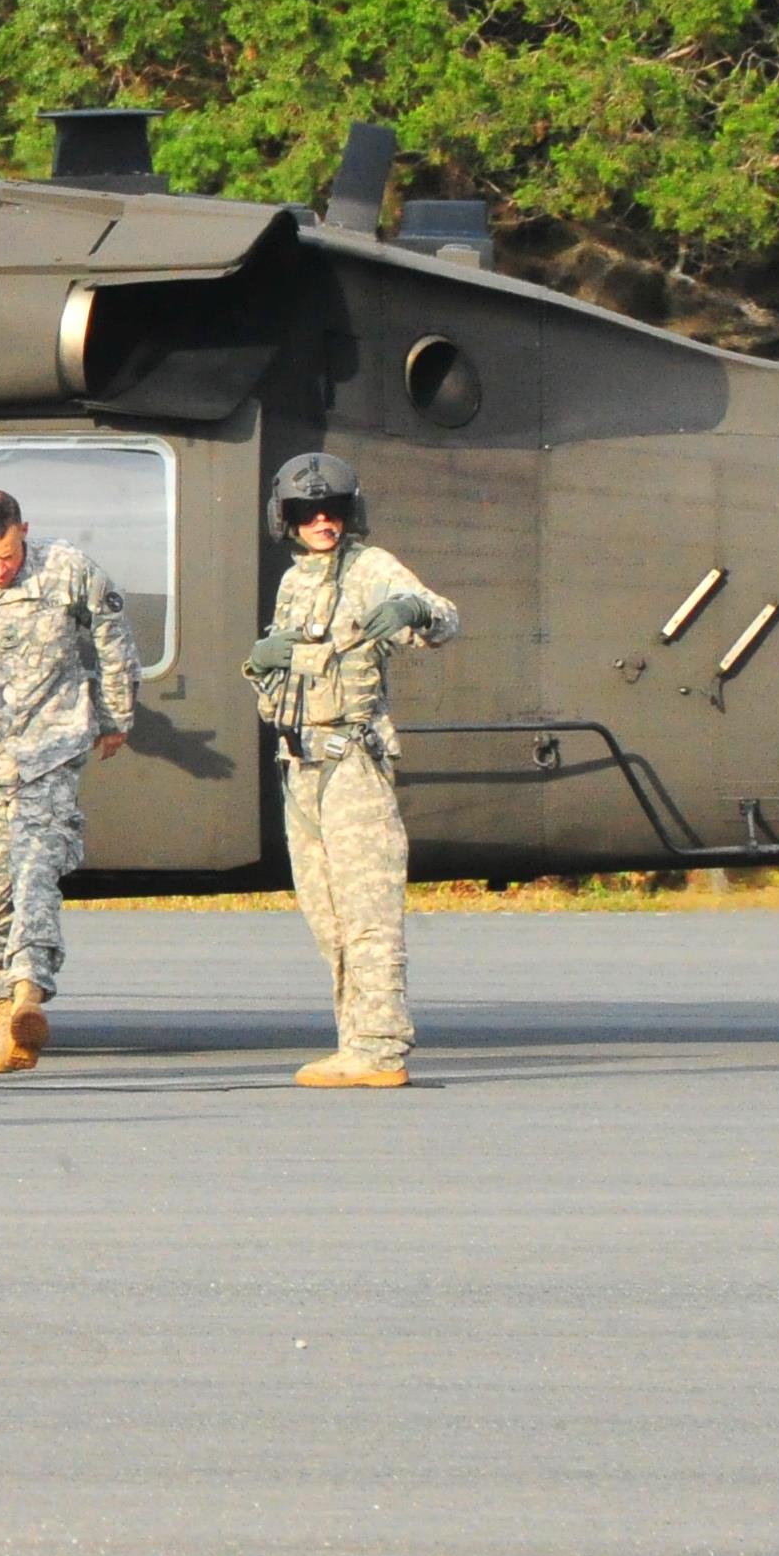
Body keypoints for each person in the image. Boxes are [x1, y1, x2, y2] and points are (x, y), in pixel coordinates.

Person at [241, 452, 459, 1087]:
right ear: (287, 518)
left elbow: (442, 615)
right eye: (307, 512)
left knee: (368, 911)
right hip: (299, 764)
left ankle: (381, 1044)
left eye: (332, 509)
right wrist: (260, 664)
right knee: (326, 916)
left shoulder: (369, 568)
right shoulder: (292, 584)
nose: (322, 521)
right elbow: (278, 683)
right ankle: (352, 1040)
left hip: (351, 762)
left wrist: (415, 613)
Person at [0, 485, 139, 1075]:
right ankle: (0, 1018)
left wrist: (116, 714)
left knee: (35, 872)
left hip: (49, 749)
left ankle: (29, 995)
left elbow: (113, 636)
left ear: (23, 531)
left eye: (8, 555)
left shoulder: (67, 569)